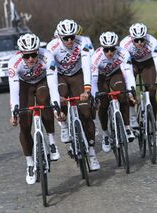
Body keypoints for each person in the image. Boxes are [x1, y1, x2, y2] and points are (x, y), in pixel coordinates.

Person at [9, 33, 65, 185]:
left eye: (34, 55)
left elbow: (53, 85)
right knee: (25, 126)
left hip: (42, 81)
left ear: (38, 52)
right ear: (21, 54)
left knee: (44, 101)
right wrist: (14, 112)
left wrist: (56, 107)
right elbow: (14, 90)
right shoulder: (14, 63)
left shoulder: (47, 56)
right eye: (26, 56)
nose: (31, 59)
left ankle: (52, 143)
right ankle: (29, 164)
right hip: (24, 86)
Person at [47, 19, 100, 171]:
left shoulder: (83, 42)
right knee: (61, 93)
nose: (70, 40)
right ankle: (63, 124)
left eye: (72, 36)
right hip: (60, 76)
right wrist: (56, 97)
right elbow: (50, 73)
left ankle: (92, 152)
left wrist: (87, 90)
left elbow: (86, 66)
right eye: (66, 38)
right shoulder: (52, 47)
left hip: (78, 74)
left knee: (86, 113)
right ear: (60, 37)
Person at [91, 32, 136, 153]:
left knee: (123, 95)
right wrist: (95, 95)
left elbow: (128, 74)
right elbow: (93, 79)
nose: (110, 53)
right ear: (102, 49)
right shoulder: (96, 56)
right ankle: (105, 134)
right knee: (104, 104)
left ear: (116, 47)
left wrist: (131, 91)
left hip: (115, 74)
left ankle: (127, 127)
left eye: (112, 49)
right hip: (100, 77)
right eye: (106, 50)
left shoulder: (123, 53)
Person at [120, 23, 157, 130]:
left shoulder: (152, 41)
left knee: (151, 92)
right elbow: (124, 66)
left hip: (148, 63)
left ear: (145, 37)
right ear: (131, 38)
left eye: (142, 40)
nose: (139, 43)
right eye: (136, 40)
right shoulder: (124, 44)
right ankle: (133, 117)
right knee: (129, 90)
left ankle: (153, 124)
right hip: (131, 64)